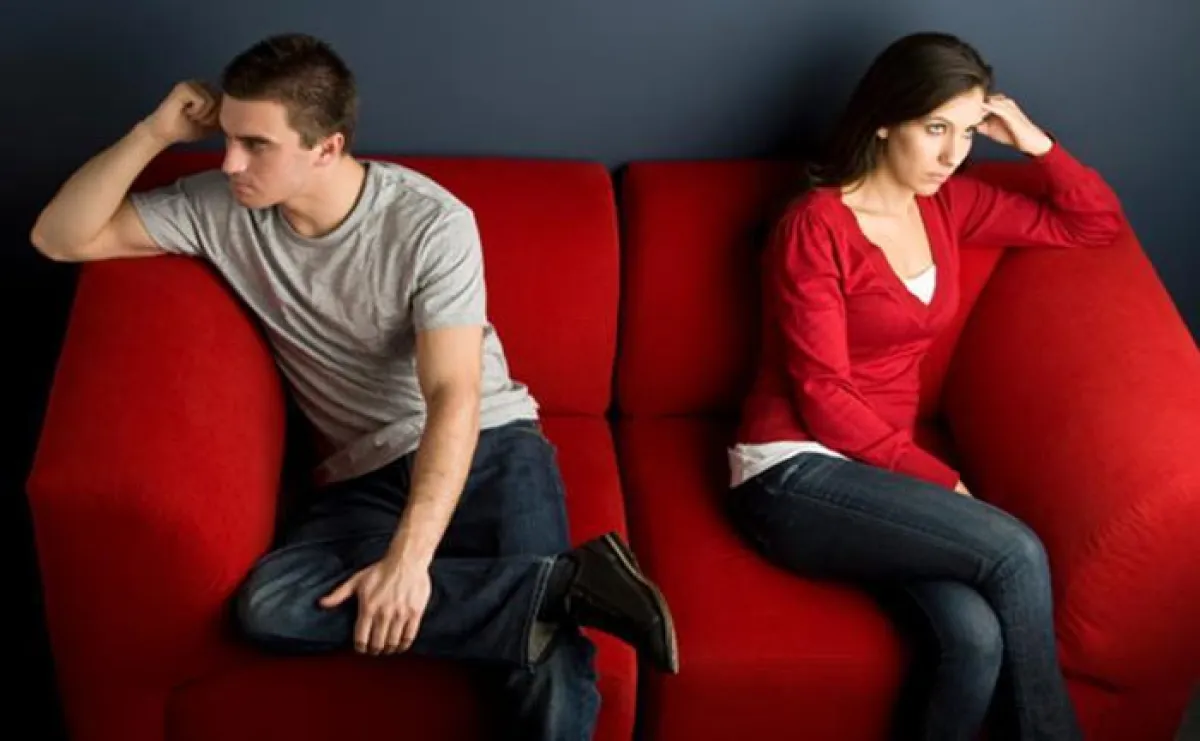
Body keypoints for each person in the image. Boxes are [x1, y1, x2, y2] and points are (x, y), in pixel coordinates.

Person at [30, 32, 678, 741]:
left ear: (327, 148)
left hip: (489, 447)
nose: (229, 161)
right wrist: (155, 132)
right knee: (271, 605)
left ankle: (539, 599)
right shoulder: (221, 207)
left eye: (255, 145)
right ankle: (566, 588)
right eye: (227, 138)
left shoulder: (430, 223)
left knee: (541, 667)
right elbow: (59, 237)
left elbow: (454, 395)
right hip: (359, 479)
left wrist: (409, 563)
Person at [726, 31, 1122, 741]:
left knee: (973, 639)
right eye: (936, 128)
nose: (952, 155)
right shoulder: (814, 226)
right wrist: (942, 482)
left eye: (967, 133)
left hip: (879, 478)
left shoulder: (947, 206)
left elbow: (1093, 225)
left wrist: (1034, 142)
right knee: (1014, 551)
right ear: (885, 118)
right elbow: (822, 396)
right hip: (791, 472)